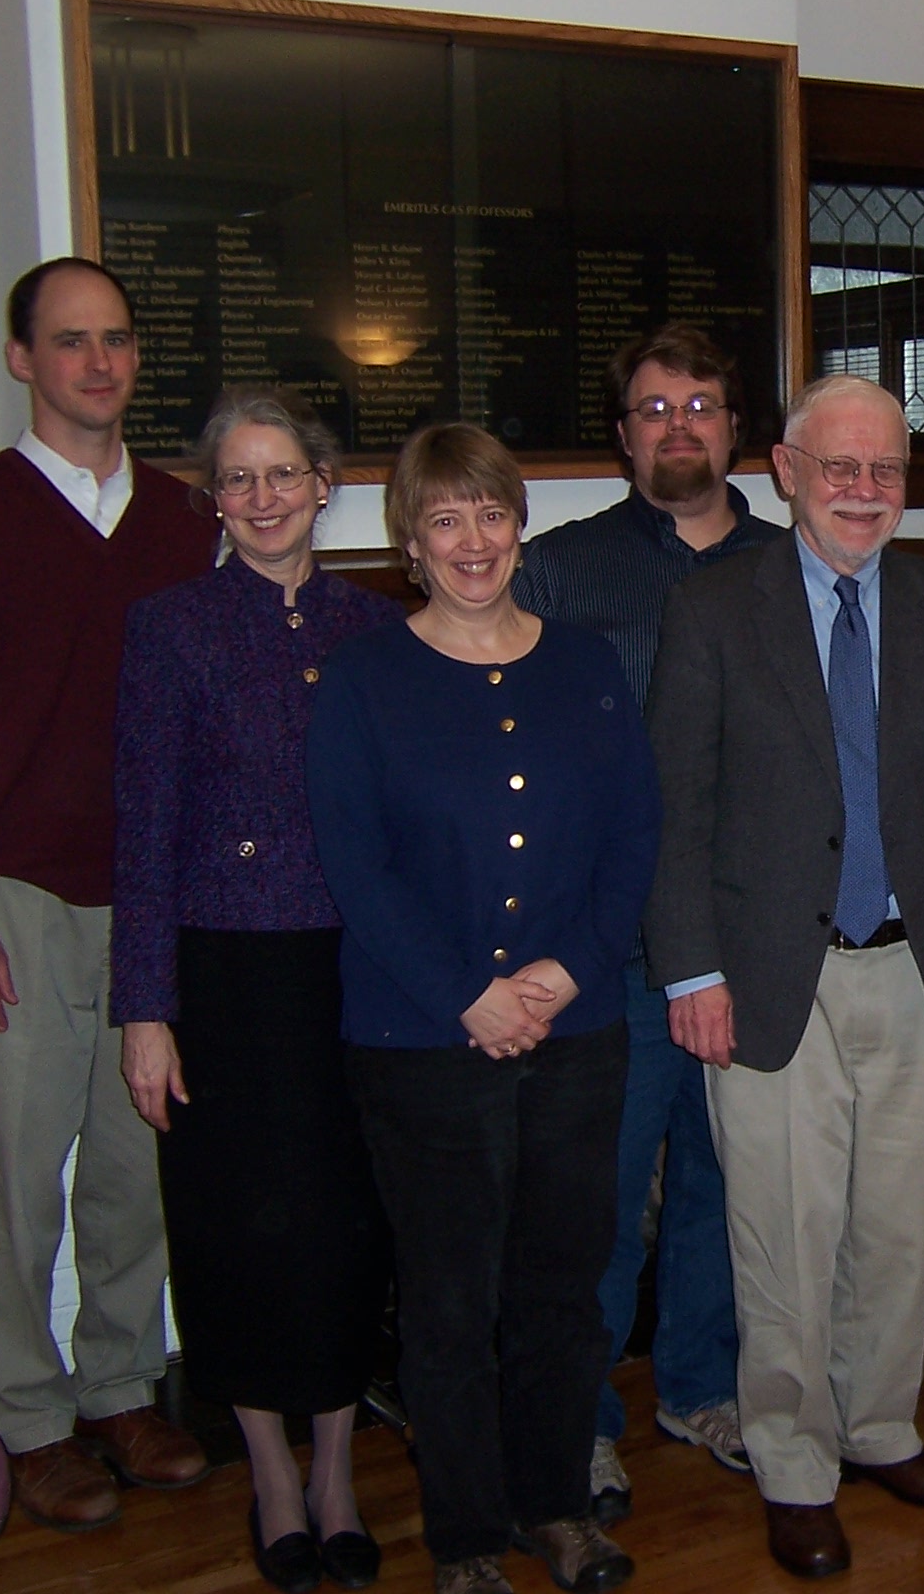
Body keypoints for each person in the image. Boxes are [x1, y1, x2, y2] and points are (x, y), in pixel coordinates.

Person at [643, 375, 924, 1580]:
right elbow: (677, 812)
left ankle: (877, 1428)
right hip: (764, 978)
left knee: (893, 1228)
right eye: (841, 468)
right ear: (787, 471)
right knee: (783, 1237)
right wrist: (690, 970)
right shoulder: (713, 611)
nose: (865, 491)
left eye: (888, 471)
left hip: (914, 973)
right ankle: (794, 1462)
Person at [0, 257, 216, 1530]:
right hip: (15, 899)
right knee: (14, 1180)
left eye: (118, 339)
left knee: (135, 1169)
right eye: (71, 341)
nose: (99, 363)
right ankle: (24, 1416)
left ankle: (122, 1385)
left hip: (157, 898)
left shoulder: (189, 521)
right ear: (23, 358)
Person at [306, 424, 660, 1594]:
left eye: (491, 515)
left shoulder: (588, 664)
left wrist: (567, 971)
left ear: (520, 526)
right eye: (445, 520)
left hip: (575, 1033)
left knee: (563, 1287)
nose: (473, 542)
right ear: (411, 540)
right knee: (451, 1305)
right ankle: (463, 1539)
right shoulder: (362, 679)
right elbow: (357, 867)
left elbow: (633, 840)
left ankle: (555, 1507)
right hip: (421, 1043)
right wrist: (469, 997)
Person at [111, 388, 399, 1592]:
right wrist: (145, 1008)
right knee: (237, 1231)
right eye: (240, 480)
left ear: (326, 485)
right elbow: (143, 828)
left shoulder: (376, 628)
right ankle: (271, 1473)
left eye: (285, 474)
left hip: (354, 967)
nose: (265, 497)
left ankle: (335, 1466)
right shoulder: (171, 626)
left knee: (341, 1226)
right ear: (214, 499)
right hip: (223, 970)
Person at [513, 325, 780, 1518]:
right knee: (599, 1196)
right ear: (624, 437)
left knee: (731, 1187)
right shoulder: (559, 574)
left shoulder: (795, 566)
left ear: (737, 432)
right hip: (609, 949)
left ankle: (702, 1386)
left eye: (703, 406)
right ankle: (577, 1421)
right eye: (655, 409)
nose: (680, 427)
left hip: (750, 940)